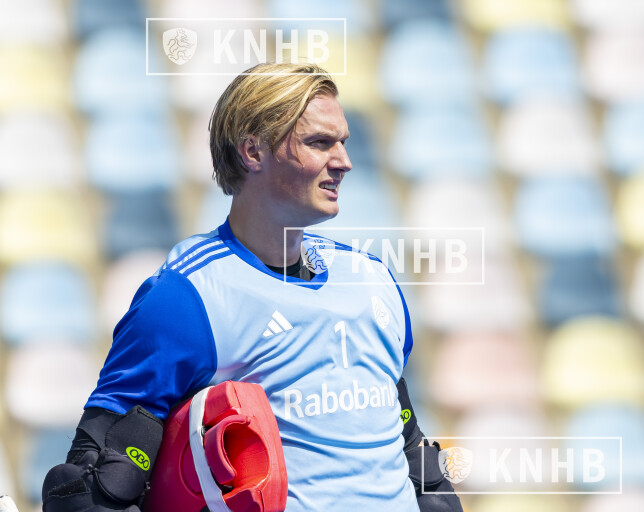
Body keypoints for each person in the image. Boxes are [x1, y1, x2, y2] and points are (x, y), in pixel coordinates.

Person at [41, 62, 462, 511]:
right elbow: (98, 482)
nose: (344, 162)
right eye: (320, 143)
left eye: (343, 141)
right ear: (252, 152)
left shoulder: (373, 278)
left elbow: (409, 445)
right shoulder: (187, 297)